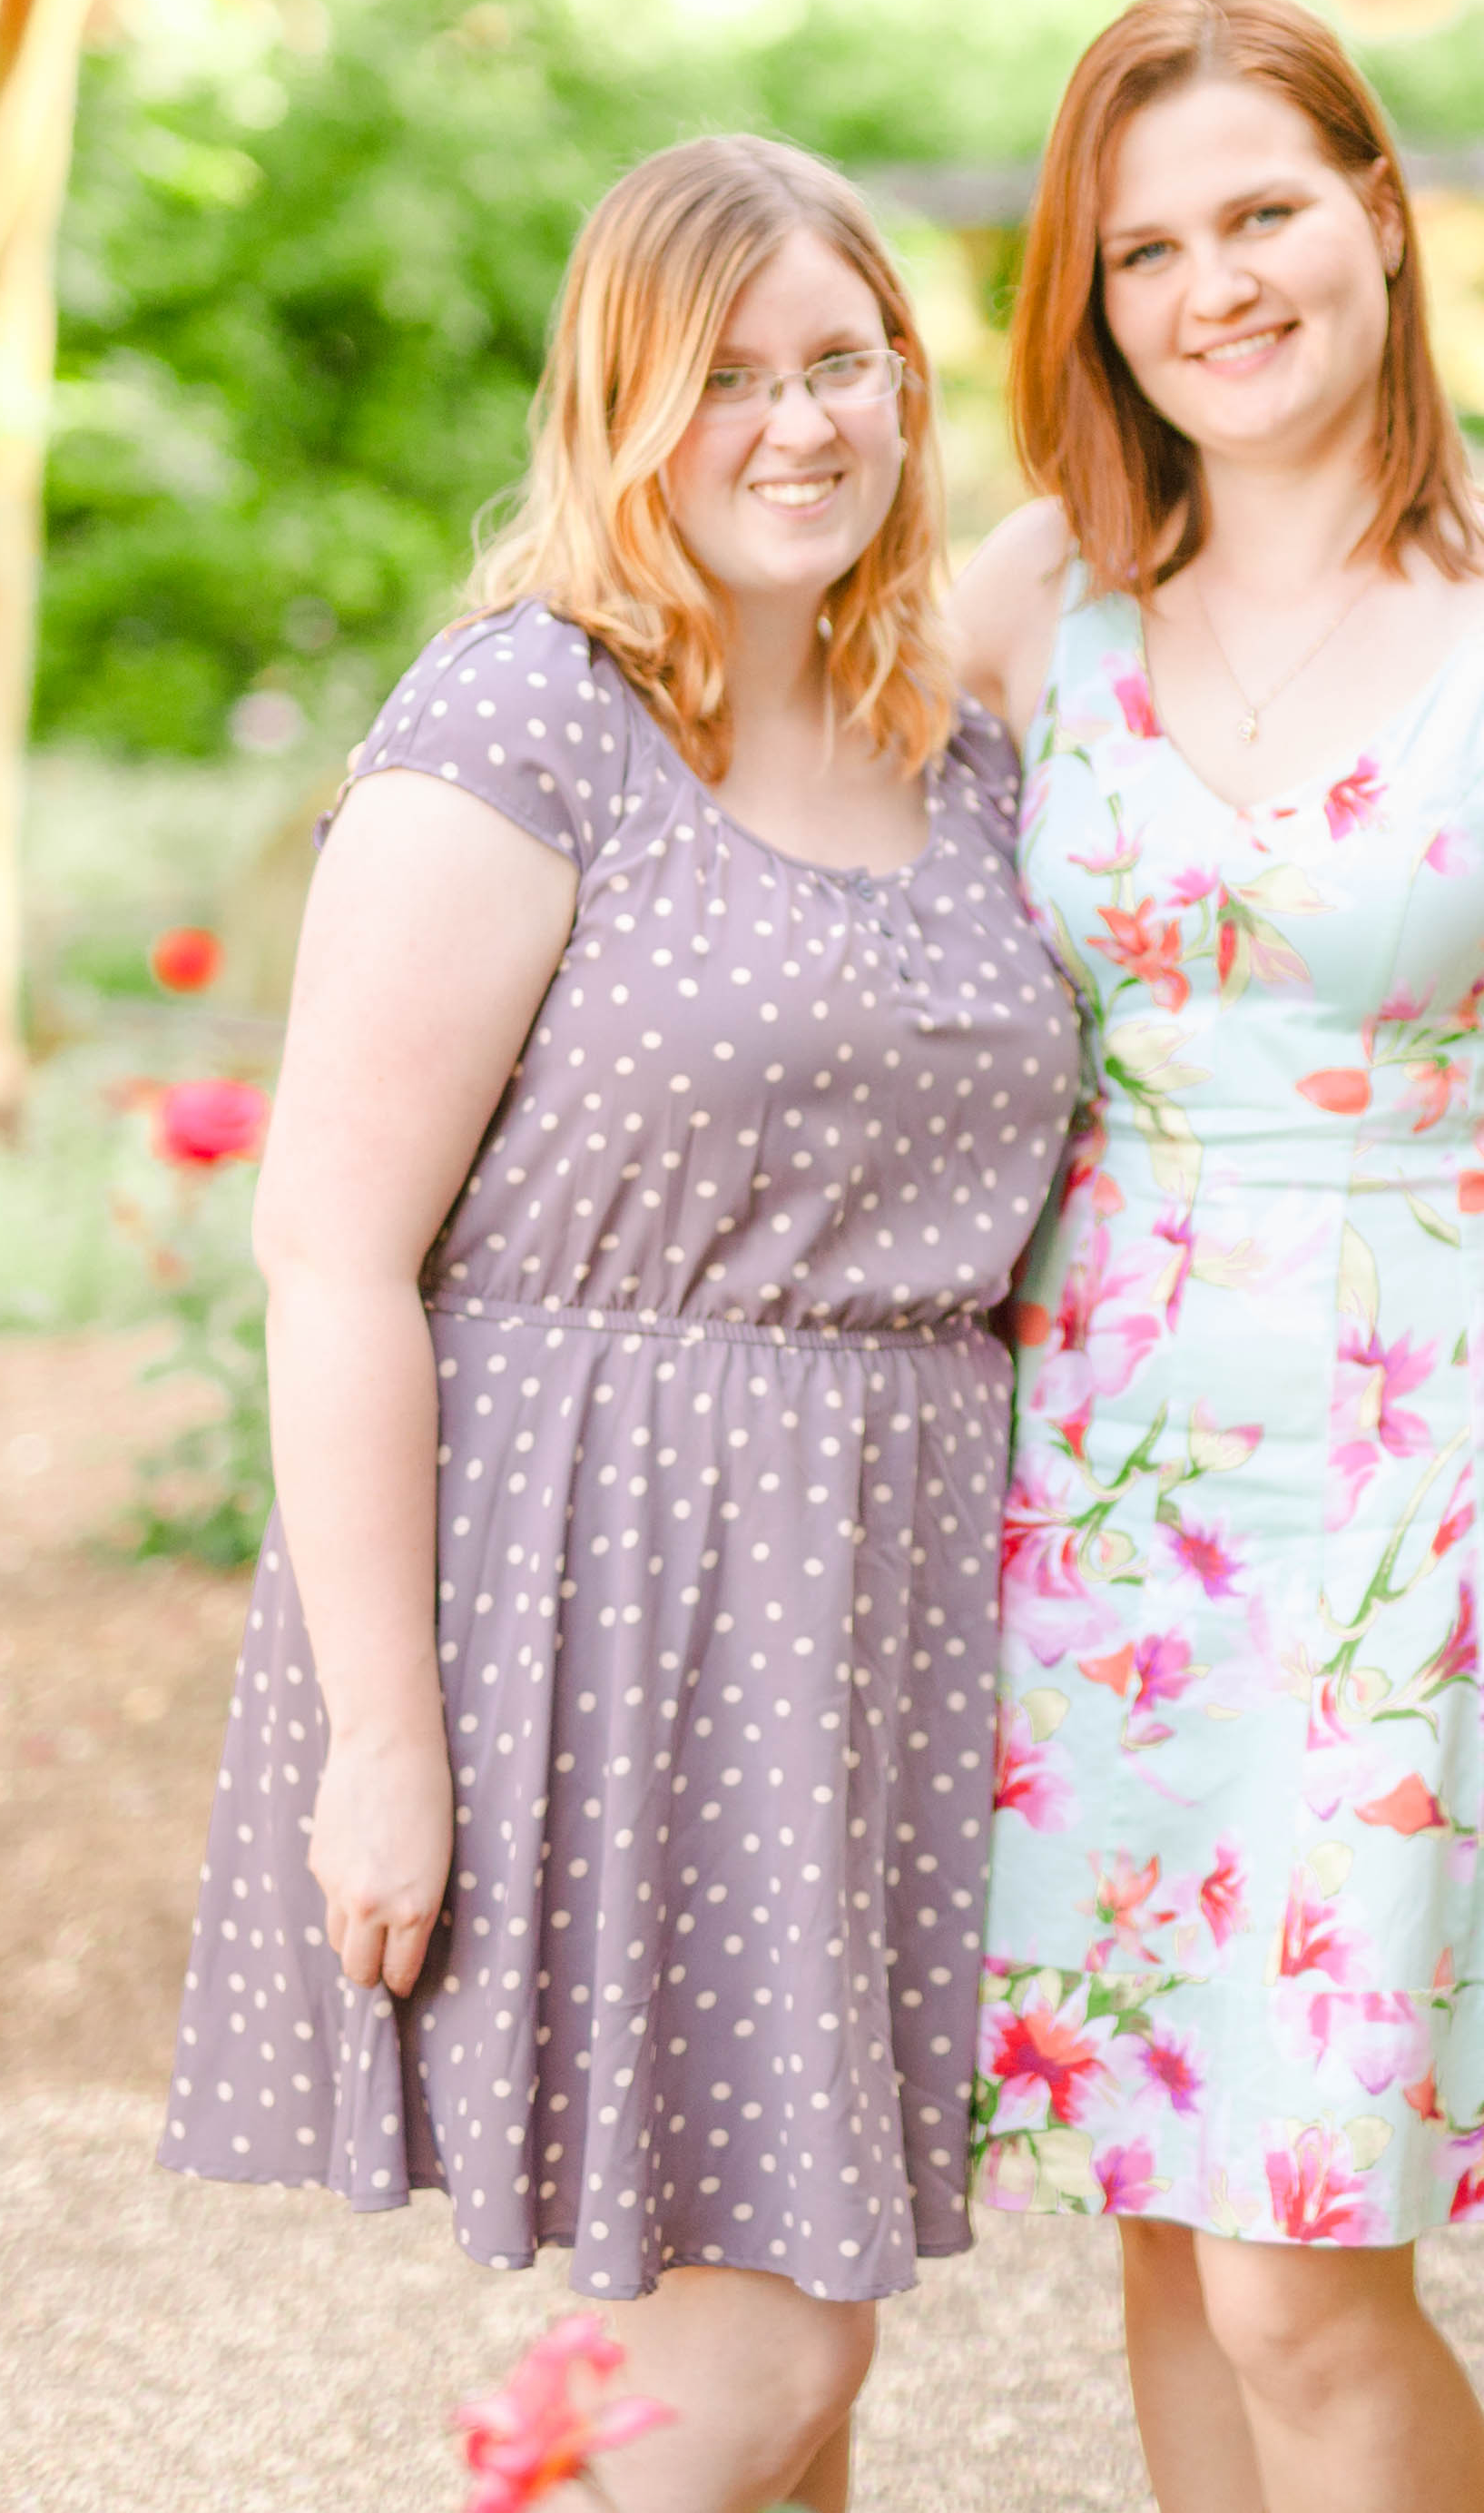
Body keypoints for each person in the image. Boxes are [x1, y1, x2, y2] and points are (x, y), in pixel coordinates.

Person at [951, 0, 1484, 2513]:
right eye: (1144, 252)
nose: (1211, 287)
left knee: (1297, 2265)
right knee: (1169, 2217)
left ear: (1382, 221)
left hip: (1422, 1489)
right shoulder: (1037, 609)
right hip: (1101, 1500)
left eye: (1259, 214)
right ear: (1092, 304)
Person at [159, 135, 1087, 2513]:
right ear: (616, 409)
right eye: (725, 381)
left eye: (842, 366)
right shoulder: (522, 731)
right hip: (609, 1602)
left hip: (872, 1613)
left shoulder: (955, 755)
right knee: (749, 2369)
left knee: (810, 2365)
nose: (797, 426)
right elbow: (333, 1249)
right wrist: (384, 1739)